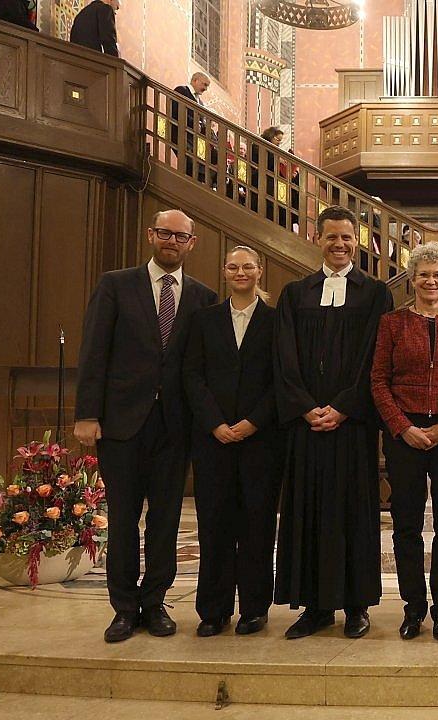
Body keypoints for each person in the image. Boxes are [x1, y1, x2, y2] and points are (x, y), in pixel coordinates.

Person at [73, 210, 217, 643]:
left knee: (166, 519)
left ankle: (154, 602)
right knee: (123, 518)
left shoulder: (203, 297)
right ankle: (123, 608)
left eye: (181, 236)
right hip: (121, 423)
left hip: (175, 427)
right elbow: (94, 351)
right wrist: (87, 414)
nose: (172, 241)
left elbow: (204, 367)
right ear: (151, 235)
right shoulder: (116, 284)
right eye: (165, 233)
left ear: (192, 243)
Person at [273, 205, 394, 640]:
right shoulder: (296, 293)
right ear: (317, 239)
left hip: (353, 426)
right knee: (308, 511)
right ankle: (315, 607)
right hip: (307, 426)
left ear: (356, 242)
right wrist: (306, 407)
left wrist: (343, 407)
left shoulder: (375, 293)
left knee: (354, 513)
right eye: (331, 237)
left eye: (346, 237)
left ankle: (357, 605)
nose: (339, 245)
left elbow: (375, 360)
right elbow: (284, 358)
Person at [371, 242, 438, 642]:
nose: (431, 281)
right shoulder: (392, 323)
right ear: (412, 279)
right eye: (423, 274)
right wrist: (402, 426)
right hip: (404, 434)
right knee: (406, 525)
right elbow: (379, 380)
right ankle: (413, 607)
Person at [182, 246, 280, 638]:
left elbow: (282, 379)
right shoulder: (203, 320)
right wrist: (215, 424)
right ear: (224, 272)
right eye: (233, 266)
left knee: (257, 527)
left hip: (261, 441)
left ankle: (255, 608)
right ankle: (213, 609)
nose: (241, 272)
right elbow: (192, 376)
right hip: (213, 441)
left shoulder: (276, 322)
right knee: (215, 526)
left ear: (260, 271)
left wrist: (253, 421)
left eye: (248, 266)